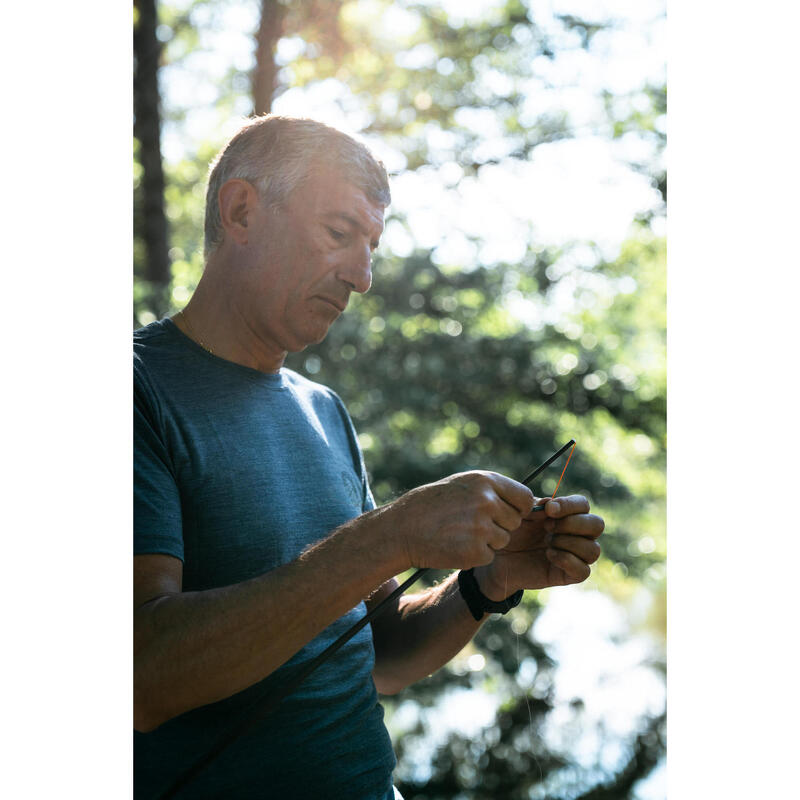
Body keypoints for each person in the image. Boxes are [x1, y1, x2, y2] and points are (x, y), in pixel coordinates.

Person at [134, 115, 604, 800]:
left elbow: (376, 650)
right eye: (338, 234)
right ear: (241, 211)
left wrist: (487, 582)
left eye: (373, 246)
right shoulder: (132, 390)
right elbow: (144, 676)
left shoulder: (324, 411)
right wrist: (389, 536)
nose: (362, 276)